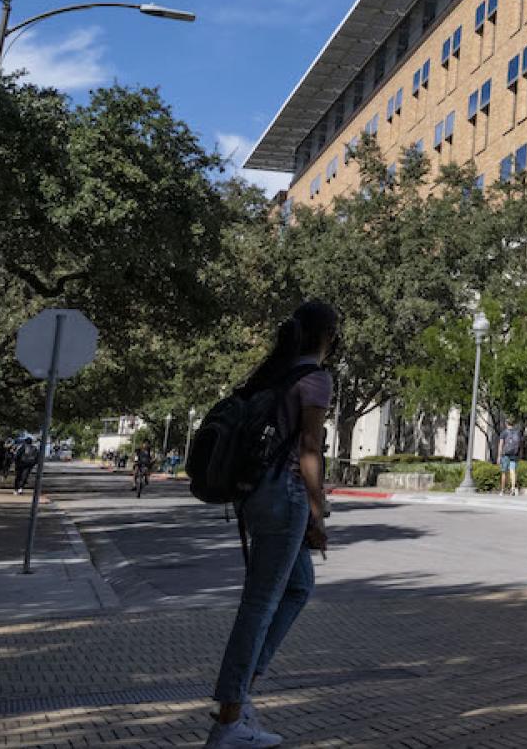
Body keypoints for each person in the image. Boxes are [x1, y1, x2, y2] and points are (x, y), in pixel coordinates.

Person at [203, 300, 338, 748]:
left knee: (298, 587)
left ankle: (240, 697)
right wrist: (318, 514)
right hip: (287, 498)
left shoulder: (274, 374)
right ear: (327, 337)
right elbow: (310, 450)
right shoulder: (315, 378)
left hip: (256, 496)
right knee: (259, 606)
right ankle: (228, 720)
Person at [498, 423, 522, 495]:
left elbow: (501, 445)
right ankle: (513, 489)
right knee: (513, 471)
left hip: (505, 455)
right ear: (513, 424)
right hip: (514, 455)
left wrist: (499, 456)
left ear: (506, 423)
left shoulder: (504, 433)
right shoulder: (517, 433)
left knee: (504, 472)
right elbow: (520, 444)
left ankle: (502, 490)